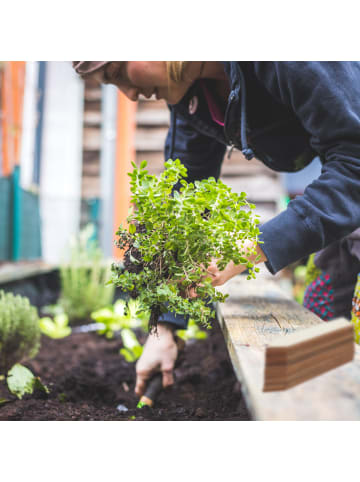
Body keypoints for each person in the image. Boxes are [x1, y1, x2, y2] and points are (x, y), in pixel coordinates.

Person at [73, 61, 360, 396]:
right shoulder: (193, 96)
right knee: (315, 346)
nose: (130, 95)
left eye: (120, 72)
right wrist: (164, 326)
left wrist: (246, 249)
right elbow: (185, 199)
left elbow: (354, 163)